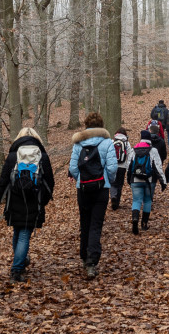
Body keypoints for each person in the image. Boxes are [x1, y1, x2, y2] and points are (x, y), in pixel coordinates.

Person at [0, 127, 55, 283]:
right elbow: (50, 183)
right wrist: (42, 201)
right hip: (34, 202)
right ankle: (17, 269)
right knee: (24, 234)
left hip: (14, 202)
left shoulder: (13, 156)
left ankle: (21, 262)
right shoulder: (42, 156)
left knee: (18, 233)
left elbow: (2, 182)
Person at [69, 112, 117, 279]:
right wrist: (107, 181)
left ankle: (84, 256)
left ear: (86, 125)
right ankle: (91, 262)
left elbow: (73, 168)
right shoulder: (107, 143)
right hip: (101, 189)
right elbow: (112, 168)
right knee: (96, 225)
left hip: (82, 189)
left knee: (85, 223)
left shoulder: (78, 144)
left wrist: (80, 180)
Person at [127, 130, 167, 234]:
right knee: (148, 201)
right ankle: (144, 224)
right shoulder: (153, 150)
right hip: (149, 180)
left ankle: (135, 219)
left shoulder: (133, 150)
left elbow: (129, 166)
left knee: (136, 200)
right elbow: (158, 167)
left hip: (135, 179)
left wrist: (128, 179)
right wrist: (163, 182)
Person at [110, 127, 132, 211]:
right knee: (120, 184)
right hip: (122, 166)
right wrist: (128, 166)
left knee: (112, 183)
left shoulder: (112, 141)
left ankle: (113, 197)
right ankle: (117, 202)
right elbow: (130, 155)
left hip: (113, 165)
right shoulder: (126, 143)